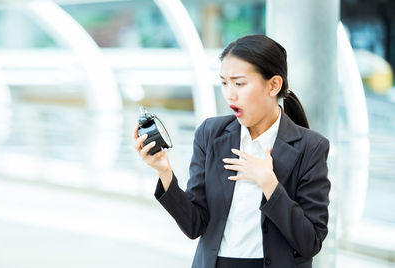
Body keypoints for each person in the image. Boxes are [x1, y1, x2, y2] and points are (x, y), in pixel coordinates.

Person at [133, 35, 331, 268]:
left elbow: (310, 242)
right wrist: (165, 173)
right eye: (224, 83)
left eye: (239, 83)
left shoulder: (311, 147)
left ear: (273, 85)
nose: (229, 94)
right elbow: (194, 226)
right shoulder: (210, 133)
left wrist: (269, 184)